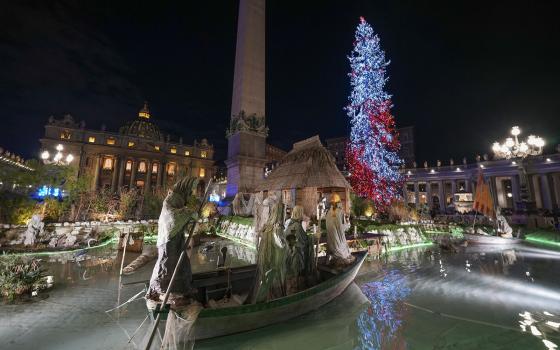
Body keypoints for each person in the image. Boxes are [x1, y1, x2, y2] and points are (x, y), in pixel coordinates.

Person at [146, 177, 199, 306]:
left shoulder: (179, 200)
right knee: (167, 264)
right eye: (191, 189)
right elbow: (171, 216)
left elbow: (179, 217)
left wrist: (188, 216)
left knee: (181, 263)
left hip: (176, 238)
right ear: (185, 188)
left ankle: (181, 289)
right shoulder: (172, 199)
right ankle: (163, 290)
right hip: (168, 239)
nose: (192, 193)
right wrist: (188, 213)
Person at [252, 193, 287, 303]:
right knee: (272, 289)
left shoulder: (267, 227)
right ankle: (272, 300)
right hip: (273, 269)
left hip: (266, 267)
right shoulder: (275, 229)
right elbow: (280, 246)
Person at [284, 205, 316, 293]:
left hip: (289, 252)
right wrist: (313, 236)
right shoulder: (299, 225)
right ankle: (297, 289)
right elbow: (305, 239)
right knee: (297, 272)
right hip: (297, 254)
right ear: (300, 213)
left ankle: (291, 288)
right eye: (302, 212)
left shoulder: (289, 223)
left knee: (292, 272)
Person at [325, 194, 355, 267]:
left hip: (331, 242)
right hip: (339, 243)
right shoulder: (340, 212)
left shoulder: (328, 213)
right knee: (347, 256)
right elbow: (343, 228)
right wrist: (348, 224)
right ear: (339, 202)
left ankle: (331, 259)